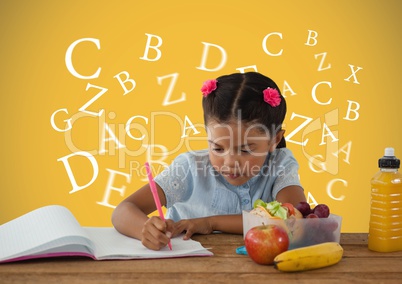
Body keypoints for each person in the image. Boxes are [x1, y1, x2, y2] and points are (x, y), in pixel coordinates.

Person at [112, 72, 306, 250]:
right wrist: (145, 230)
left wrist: (210, 223)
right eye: (218, 148)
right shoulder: (190, 167)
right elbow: (122, 211)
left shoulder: (279, 163)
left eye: (245, 149)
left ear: (275, 140)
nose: (230, 162)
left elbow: (292, 221)